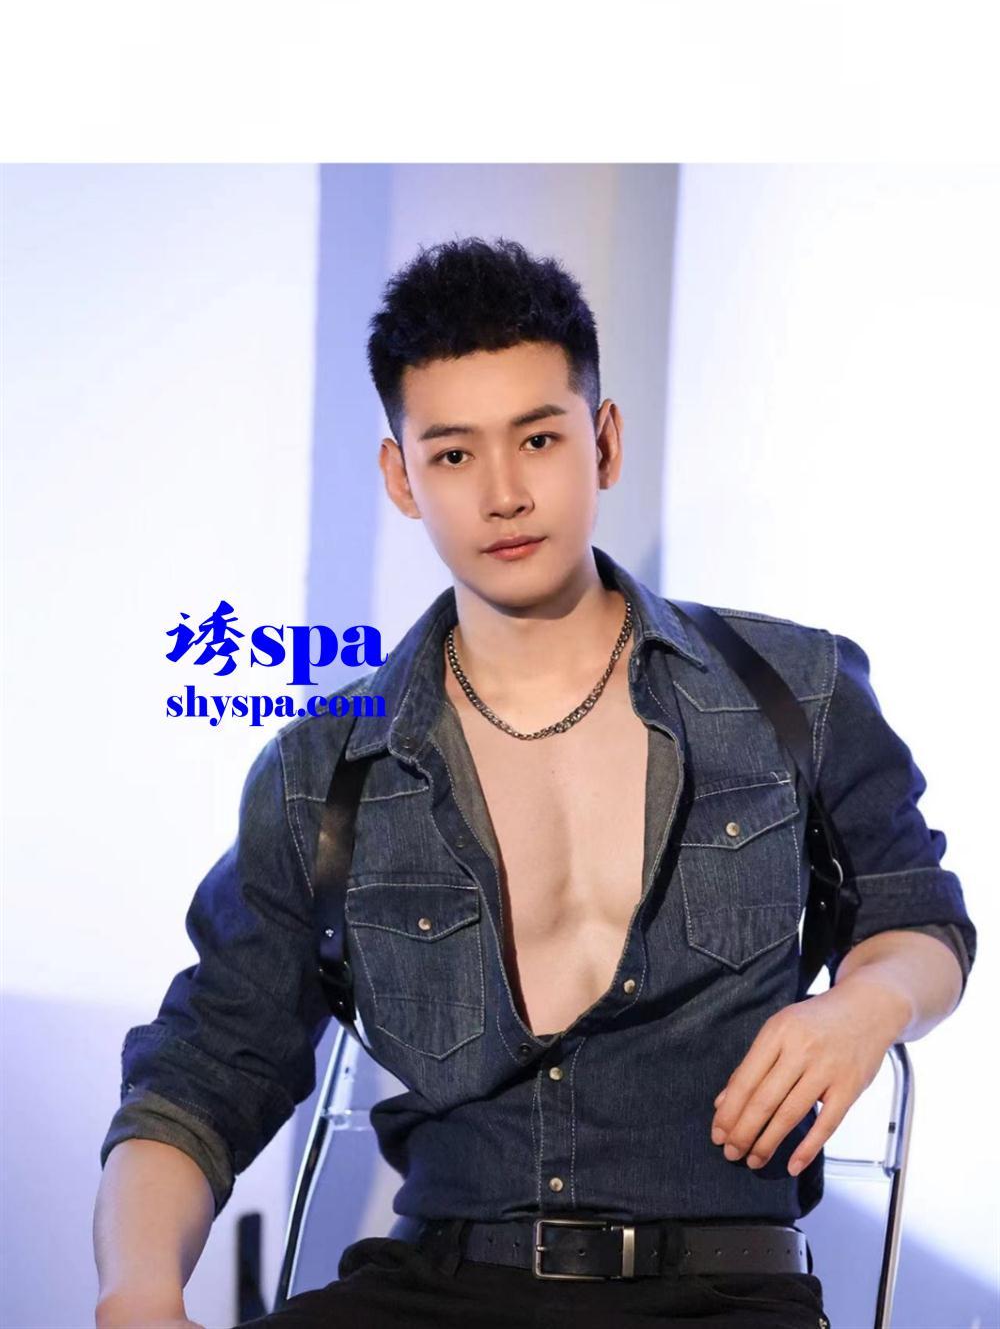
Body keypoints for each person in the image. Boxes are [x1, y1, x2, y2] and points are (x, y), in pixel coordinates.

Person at [93, 237, 976, 1329]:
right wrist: (138, 1290)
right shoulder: (327, 770)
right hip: (434, 1285)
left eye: (539, 439)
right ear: (401, 478)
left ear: (602, 442)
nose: (504, 494)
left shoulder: (793, 690)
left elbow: (917, 915)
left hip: (720, 1291)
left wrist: (866, 1004)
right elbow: (198, 1076)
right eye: (454, 454)